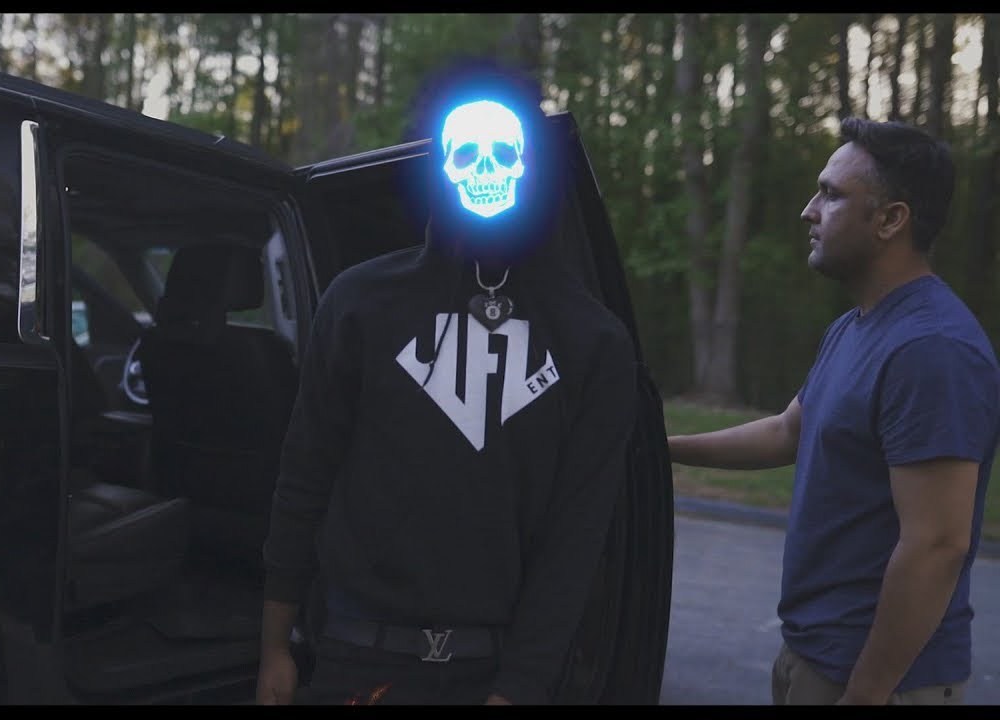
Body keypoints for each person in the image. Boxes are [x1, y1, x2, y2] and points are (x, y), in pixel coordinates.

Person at [255, 60, 638, 705]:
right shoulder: (360, 303)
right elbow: (305, 474)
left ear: (531, 166)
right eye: (465, 154)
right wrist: (274, 646)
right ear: (436, 167)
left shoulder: (594, 343)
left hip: (490, 674)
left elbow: (574, 543)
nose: (485, 170)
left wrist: (517, 690)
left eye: (503, 153)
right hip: (355, 659)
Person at [668, 118, 1000, 705]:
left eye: (831, 194)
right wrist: (660, 446)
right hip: (813, 656)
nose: (808, 210)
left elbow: (937, 544)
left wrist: (866, 692)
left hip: (882, 680)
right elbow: (787, 431)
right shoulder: (856, 327)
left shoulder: (932, 349)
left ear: (891, 219)